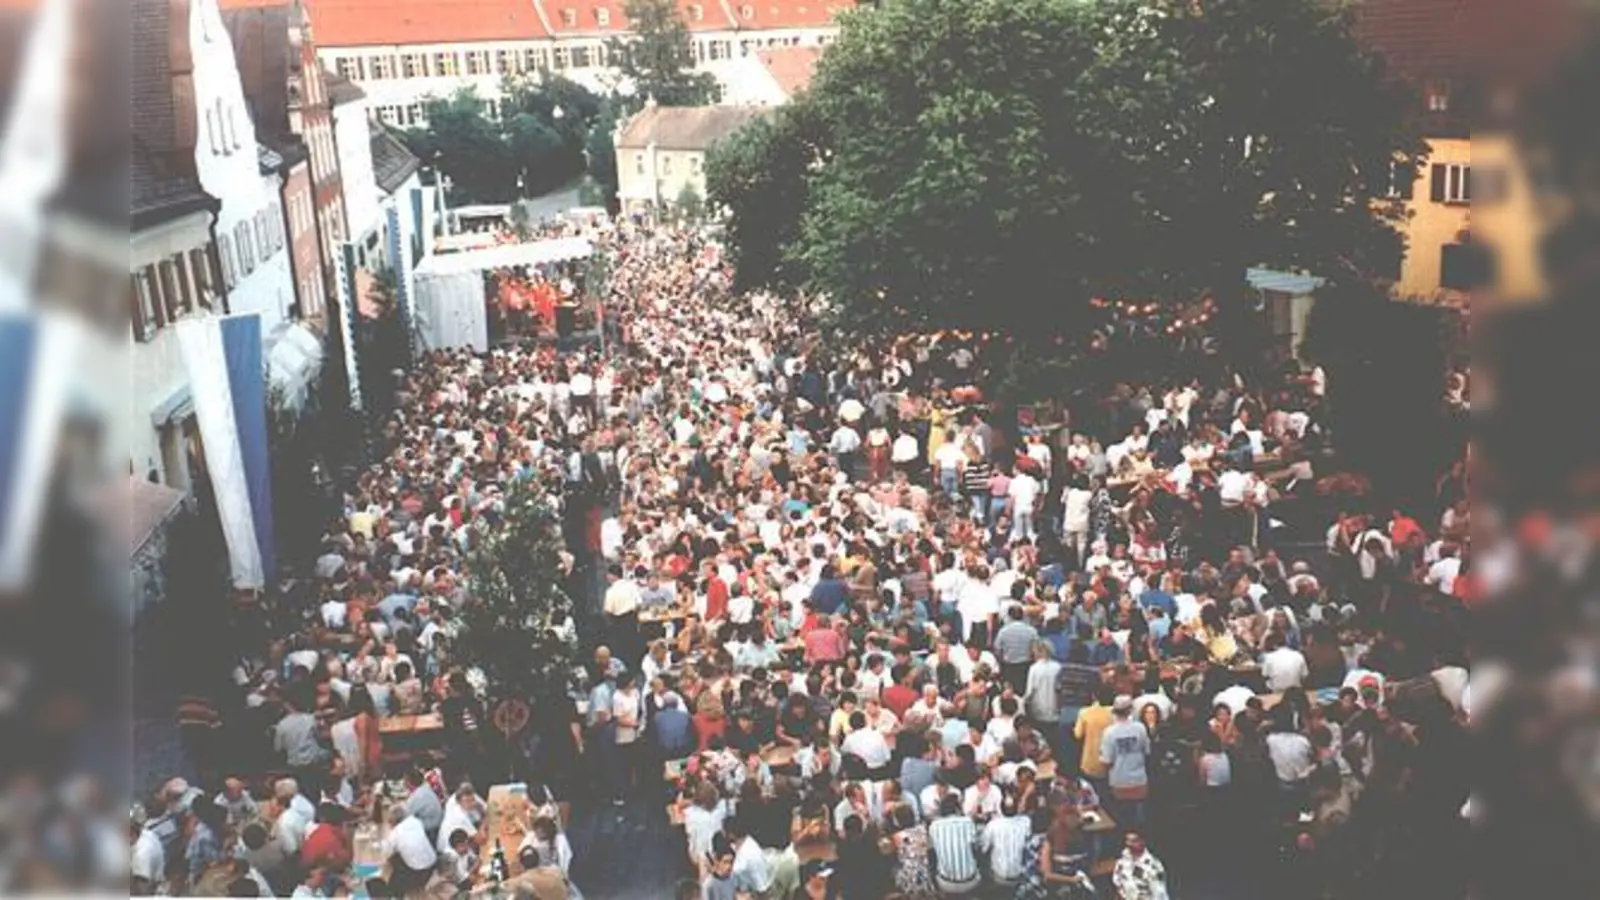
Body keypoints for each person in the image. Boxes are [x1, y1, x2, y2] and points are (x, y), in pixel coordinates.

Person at [926, 794, 981, 895]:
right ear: (957, 808)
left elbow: (932, 850)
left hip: (945, 882)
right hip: (970, 881)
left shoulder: (934, 826)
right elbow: (976, 847)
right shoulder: (968, 822)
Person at [380, 804, 437, 895]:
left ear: (392, 821)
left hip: (419, 871)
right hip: (433, 863)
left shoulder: (395, 833)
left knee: (392, 860)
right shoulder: (415, 821)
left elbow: (386, 852)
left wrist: (383, 839)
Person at [978, 796, 1031, 887]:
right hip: (1020, 874)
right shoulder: (1026, 822)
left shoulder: (993, 824)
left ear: (1001, 808)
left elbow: (983, 849)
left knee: (982, 857)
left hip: (999, 875)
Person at [1111, 831, 1169, 900]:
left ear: (1142, 841)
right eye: (1127, 840)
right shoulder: (1121, 862)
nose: (1129, 844)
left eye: (1134, 841)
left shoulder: (1154, 866)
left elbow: (1159, 895)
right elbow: (1117, 884)